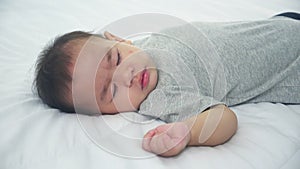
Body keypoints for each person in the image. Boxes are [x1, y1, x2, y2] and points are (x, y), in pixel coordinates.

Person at [35, 12, 300, 157]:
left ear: (119, 39)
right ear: (107, 114)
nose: (124, 76)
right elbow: (223, 118)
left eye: (114, 58)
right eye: (112, 92)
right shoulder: (160, 96)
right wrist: (187, 132)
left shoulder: (146, 43)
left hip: (281, 23)